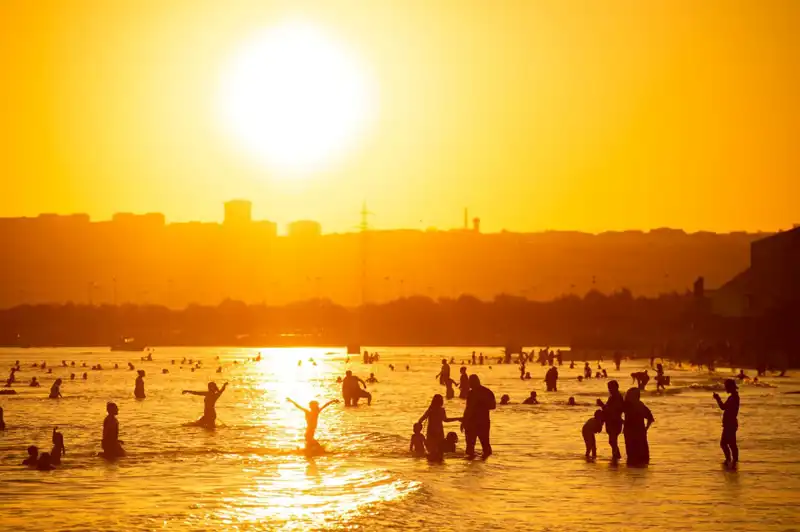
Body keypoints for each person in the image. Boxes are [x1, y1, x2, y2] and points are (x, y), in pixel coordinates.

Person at [461, 375, 496, 459]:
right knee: (485, 445)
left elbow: (468, 409)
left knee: (471, 447)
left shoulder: (472, 393)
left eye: (470, 382)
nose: (469, 384)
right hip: (483, 422)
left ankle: (471, 467)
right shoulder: (487, 391)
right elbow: (493, 406)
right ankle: (485, 465)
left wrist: (464, 421)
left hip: (473, 422)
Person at [418, 394, 462, 460]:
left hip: (434, 432)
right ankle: (439, 468)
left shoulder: (432, 410)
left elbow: (421, 420)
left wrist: (418, 426)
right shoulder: (434, 410)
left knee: (434, 452)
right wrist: (457, 418)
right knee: (438, 452)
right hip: (436, 432)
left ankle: (435, 467)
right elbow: (445, 420)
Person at [623, 388, 654, 466]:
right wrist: (645, 429)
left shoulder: (635, 406)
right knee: (635, 455)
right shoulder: (634, 405)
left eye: (629, 395)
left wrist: (645, 429)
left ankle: (636, 471)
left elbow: (650, 418)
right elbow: (650, 418)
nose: (627, 396)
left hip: (635, 433)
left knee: (636, 455)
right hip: (634, 432)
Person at [713, 379, 740, 468]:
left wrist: (718, 399)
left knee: (724, 443)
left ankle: (730, 460)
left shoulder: (733, 397)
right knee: (731, 443)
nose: (725, 388)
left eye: (726, 386)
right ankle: (734, 461)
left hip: (730, 424)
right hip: (731, 423)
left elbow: (723, 407)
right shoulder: (735, 396)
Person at [597, 380, 625, 462]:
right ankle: (616, 456)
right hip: (613, 421)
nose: (609, 390)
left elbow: (612, 410)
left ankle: (617, 456)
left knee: (612, 440)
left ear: (616, 387)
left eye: (611, 388)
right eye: (609, 388)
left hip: (615, 421)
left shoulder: (616, 397)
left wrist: (602, 405)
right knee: (612, 441)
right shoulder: (614, 397)